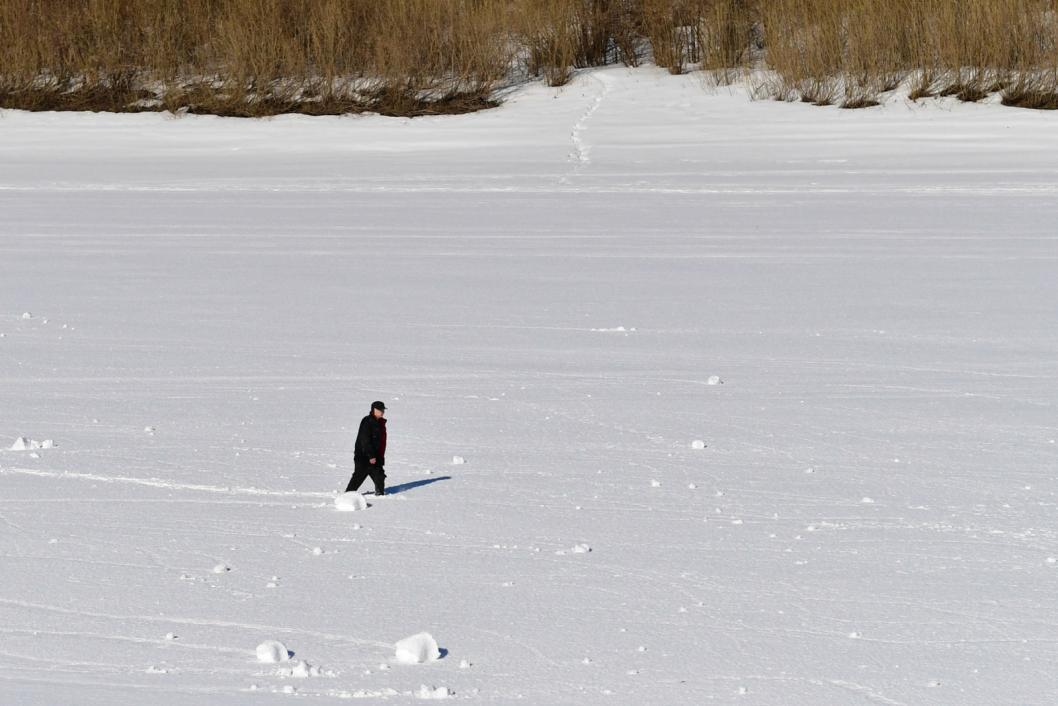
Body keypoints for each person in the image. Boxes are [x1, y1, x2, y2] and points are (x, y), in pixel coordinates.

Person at [345, 401, 388, 496]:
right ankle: (347, 496)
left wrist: (378, 456)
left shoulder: (380, 422)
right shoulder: (367, 421)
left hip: (375, 456)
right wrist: (371, 455)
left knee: (380, 476)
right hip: (364, 456)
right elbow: (365, 440)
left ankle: (380, 495)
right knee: (358, 477)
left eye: (383, 410)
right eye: (381, 410)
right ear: (374, 410)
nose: (383, 412)